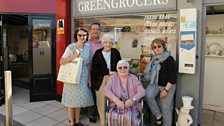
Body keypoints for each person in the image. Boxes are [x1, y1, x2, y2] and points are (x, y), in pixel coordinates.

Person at [60, 28, 94, 126]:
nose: (82, 37)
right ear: (76, 36)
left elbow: (88, 64)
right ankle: (72, 122)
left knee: (79, 100)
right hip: (72, 77)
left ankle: (77, 122)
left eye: (84, 35)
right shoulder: (71, 47)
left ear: (87, 36)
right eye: (80, 35)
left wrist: (89, 79)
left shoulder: (88, 47)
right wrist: (74, 56)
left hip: (83, 78)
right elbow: (61, 61)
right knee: (71, 100)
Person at [143, 38, 177, 126]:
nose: (157, 48)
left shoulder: (169, 59)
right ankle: (158, 115)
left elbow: (173, 77)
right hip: (155, 84)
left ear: (163, 47)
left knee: (166, 108)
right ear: (153, 49)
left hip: (167, 86)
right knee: (147, 95)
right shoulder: (154, 59)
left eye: (159, 46)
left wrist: (165, 90)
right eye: (154, 47)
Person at [91, 34, 122, 126]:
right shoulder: (97, 53)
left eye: (110, 42)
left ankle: (113, 121)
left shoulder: (115, 52)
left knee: (114, 100)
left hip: (115, 79)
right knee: (102, 101)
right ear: (103, 43)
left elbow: (120, 64)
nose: (108, 44)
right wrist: (108, 71)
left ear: (112, 43)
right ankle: (103, 122)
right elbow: (95, 70)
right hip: (101, 80)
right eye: (106, 42)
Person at [104, 59, 145, 126]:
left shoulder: (133, 78)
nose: (123, 69)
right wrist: (116, 100)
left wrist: (132, 99)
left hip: (132, 106)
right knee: (112, 116)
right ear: (117, 69)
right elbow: (106, 90)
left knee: (130, 117)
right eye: (120, 68)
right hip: (116, 105)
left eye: (125, 67)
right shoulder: (113, 78)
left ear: (128, 69)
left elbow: (142, 91)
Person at [87, 22, 103, 123]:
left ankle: (101, 112)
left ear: (99, 31)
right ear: (90, 30)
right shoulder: (85, 42)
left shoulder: (103, 42)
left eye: (97, 29)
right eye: (93, 29)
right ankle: (91, 114)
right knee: (90, 92)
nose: (95, 31)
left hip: (100, 72)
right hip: (88, 71)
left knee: (100, 92)